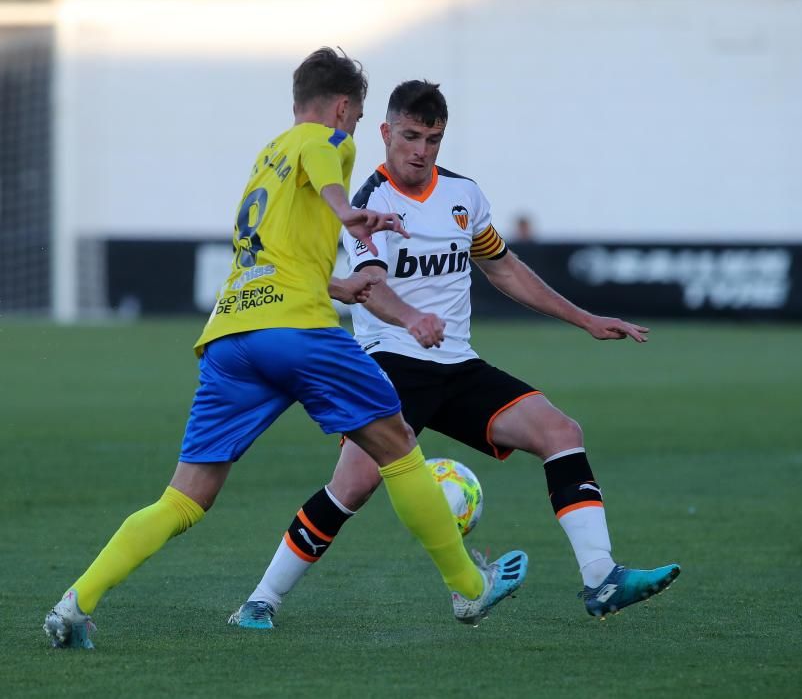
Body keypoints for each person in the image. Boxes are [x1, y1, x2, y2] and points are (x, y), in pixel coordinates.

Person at [43, 51, 527, 650]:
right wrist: (349, 210)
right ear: (345, 107)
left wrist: (340, 285)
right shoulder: (328, 141)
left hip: (232, 337)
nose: (349, 131)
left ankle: (75, 603)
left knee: (184, 496)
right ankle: (466, 584)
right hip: (298, 334)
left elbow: (269, 255)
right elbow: (328, 160)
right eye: (353, 119)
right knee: (398, 445)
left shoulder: (265, 160)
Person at [228, 80, 679, 630]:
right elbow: (371, 282)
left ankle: (601, 577)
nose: (421, 150)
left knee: (562, 433)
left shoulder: (464, 197)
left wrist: (584, 319)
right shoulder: (367, 203)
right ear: (386, 132)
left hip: (458, 365)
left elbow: (503, 267)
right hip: (391, 364)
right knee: (353, 486)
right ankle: (261, 601)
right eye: (412, 136)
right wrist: (413, 320)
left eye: (433, 139)